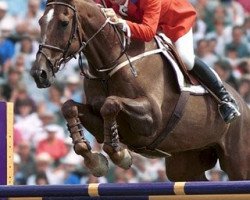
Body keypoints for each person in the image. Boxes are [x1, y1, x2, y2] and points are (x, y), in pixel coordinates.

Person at [98, 0, 240, 123]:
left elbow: (148, 32)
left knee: (186, 59)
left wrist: (121, 22)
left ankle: (224, 98)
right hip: (150, 23)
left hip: (175, 21)